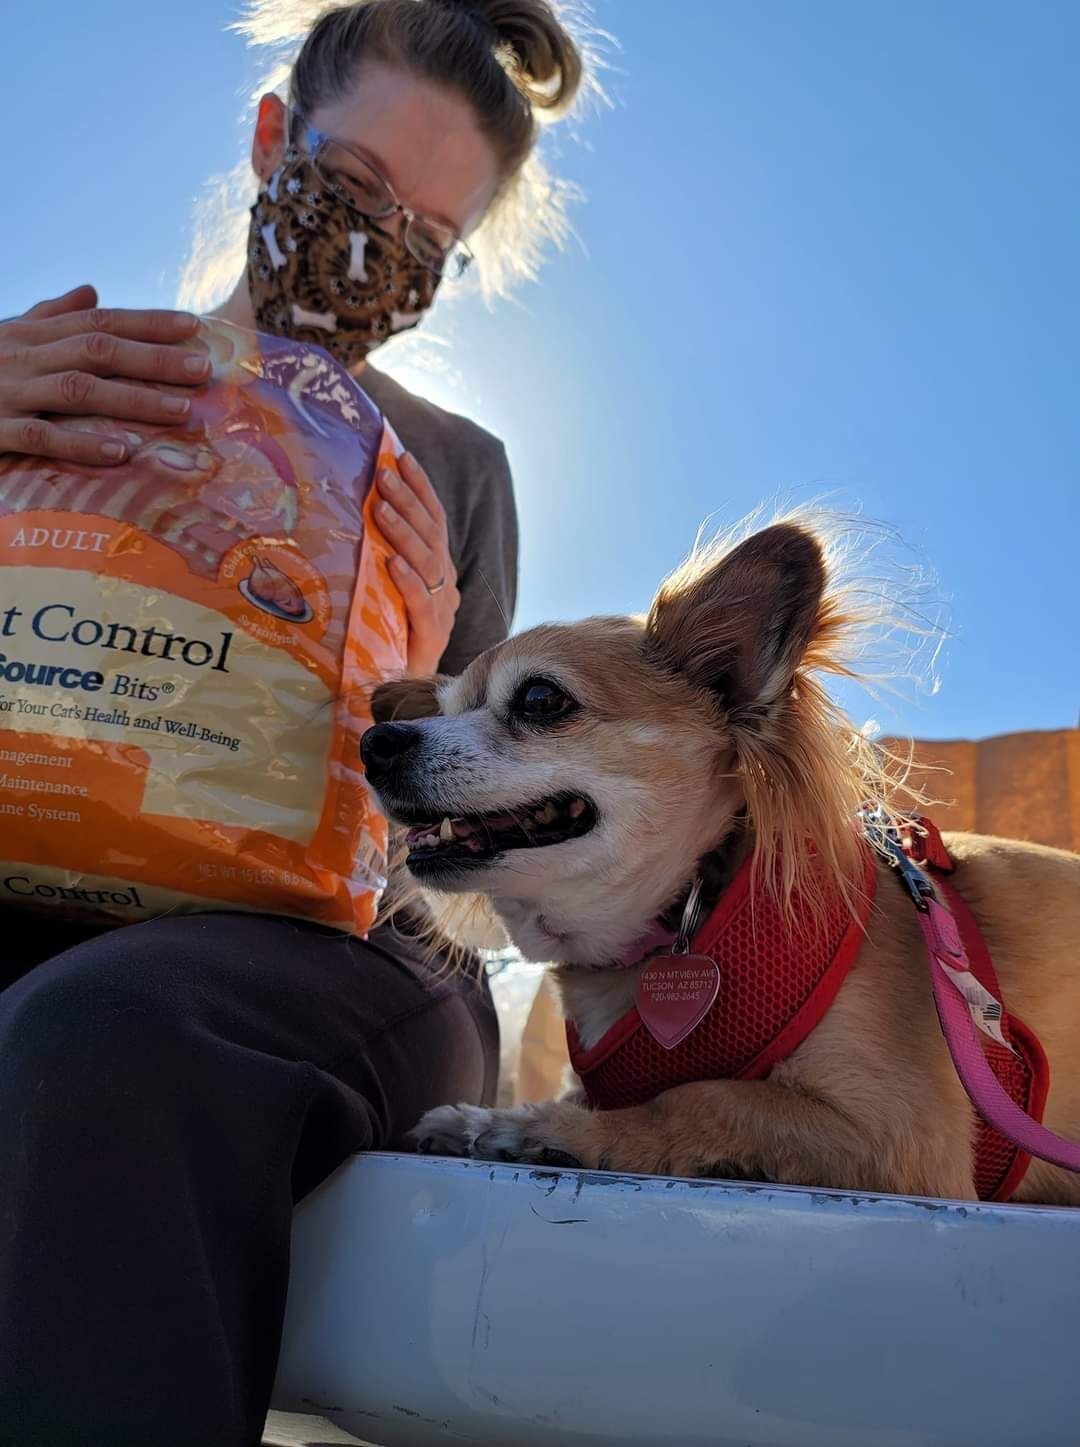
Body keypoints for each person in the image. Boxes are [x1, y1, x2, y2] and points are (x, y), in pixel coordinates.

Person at [0, 3, 588, 1443]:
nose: (378, 253)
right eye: (355, 192)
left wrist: (436, 655)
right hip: (42, 878)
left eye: (427, 243)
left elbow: (468, 844)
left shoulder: (451, 467)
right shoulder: (81, 371)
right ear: (272, 144)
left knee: (108, 1031)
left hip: (336, 951)